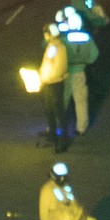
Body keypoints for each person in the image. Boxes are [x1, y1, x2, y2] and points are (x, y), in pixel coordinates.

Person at [60, 10, 98, 136]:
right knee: (80, 101)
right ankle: (81, 128)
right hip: (80, 73)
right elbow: (94, 55)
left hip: (66, 73)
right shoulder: (87, 39)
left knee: (62, 100)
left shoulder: (64, 39)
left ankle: (57, 124)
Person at [38, 23, 70, 152]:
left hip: (56, 83)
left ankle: (63, 142)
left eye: (46, 33)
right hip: (48, 84)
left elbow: (60, 68)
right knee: (49, 110)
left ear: (50, 34)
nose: (45, 36)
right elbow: (45, 65)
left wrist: (47, 78)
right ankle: (53, 136)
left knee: (59, 112)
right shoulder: (51, 46)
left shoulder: (59, 48)